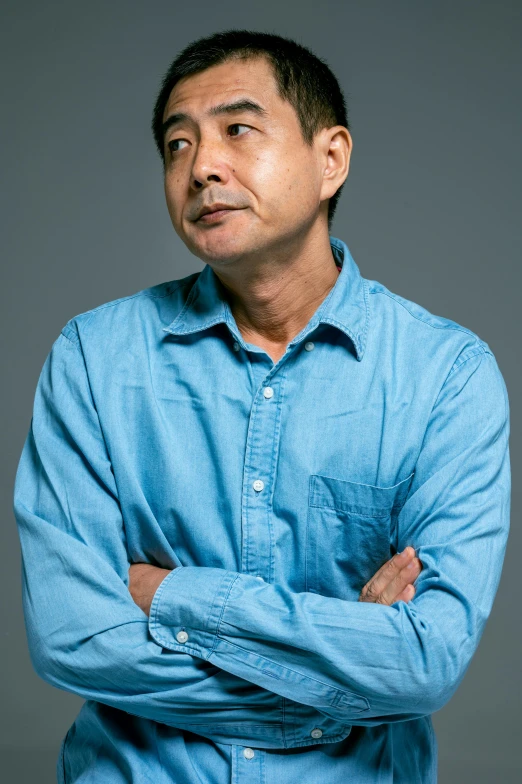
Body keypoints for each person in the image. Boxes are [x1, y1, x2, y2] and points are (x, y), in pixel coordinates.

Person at [13, 28, 510, 784]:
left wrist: (172, 594)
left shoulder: (446, 374)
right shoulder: (94, 357)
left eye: (237, 130)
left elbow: (423, 662)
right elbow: (73, 637)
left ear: (330, 159)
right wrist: (337, 690)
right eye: (178, 145)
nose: (202, 166)